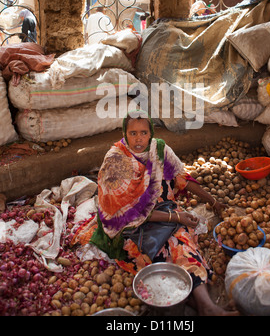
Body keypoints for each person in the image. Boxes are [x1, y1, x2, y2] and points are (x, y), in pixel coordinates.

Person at [72, 110, 238, 316]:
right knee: (158, 252)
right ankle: (202, 305)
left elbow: (181, 177)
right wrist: (176, 217)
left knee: (182, 242)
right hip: (129, 225)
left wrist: (214, 202)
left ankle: (205, 306)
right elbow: (129, 212)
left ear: (150, 133)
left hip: (163, 212)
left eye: (144, 132)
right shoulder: (115, 161)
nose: (139, 138)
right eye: (133, 133)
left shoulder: (158, 149)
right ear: (125, 133)